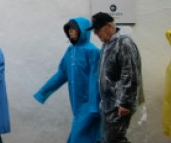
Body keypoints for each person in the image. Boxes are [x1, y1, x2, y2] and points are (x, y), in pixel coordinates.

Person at [33, 17, 101, 143]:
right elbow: (61, 74)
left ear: (83, 31)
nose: (71, 31)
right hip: (77, 105)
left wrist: (93, 106)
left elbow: (94, 80)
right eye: (69, 29)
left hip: (90, 104)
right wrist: (43, 92)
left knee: (79, 137)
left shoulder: (92, 52)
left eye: (74, 29)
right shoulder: (70, 51)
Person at [90, 12, 143, 143]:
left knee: (114, 139)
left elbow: (129, 73)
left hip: (118, 103)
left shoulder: (124, 43)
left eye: (98, 30)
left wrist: (125, 103)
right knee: (109, 138)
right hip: (109, 103)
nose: (96, 34)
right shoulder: (107, 44)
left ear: (109, 26)